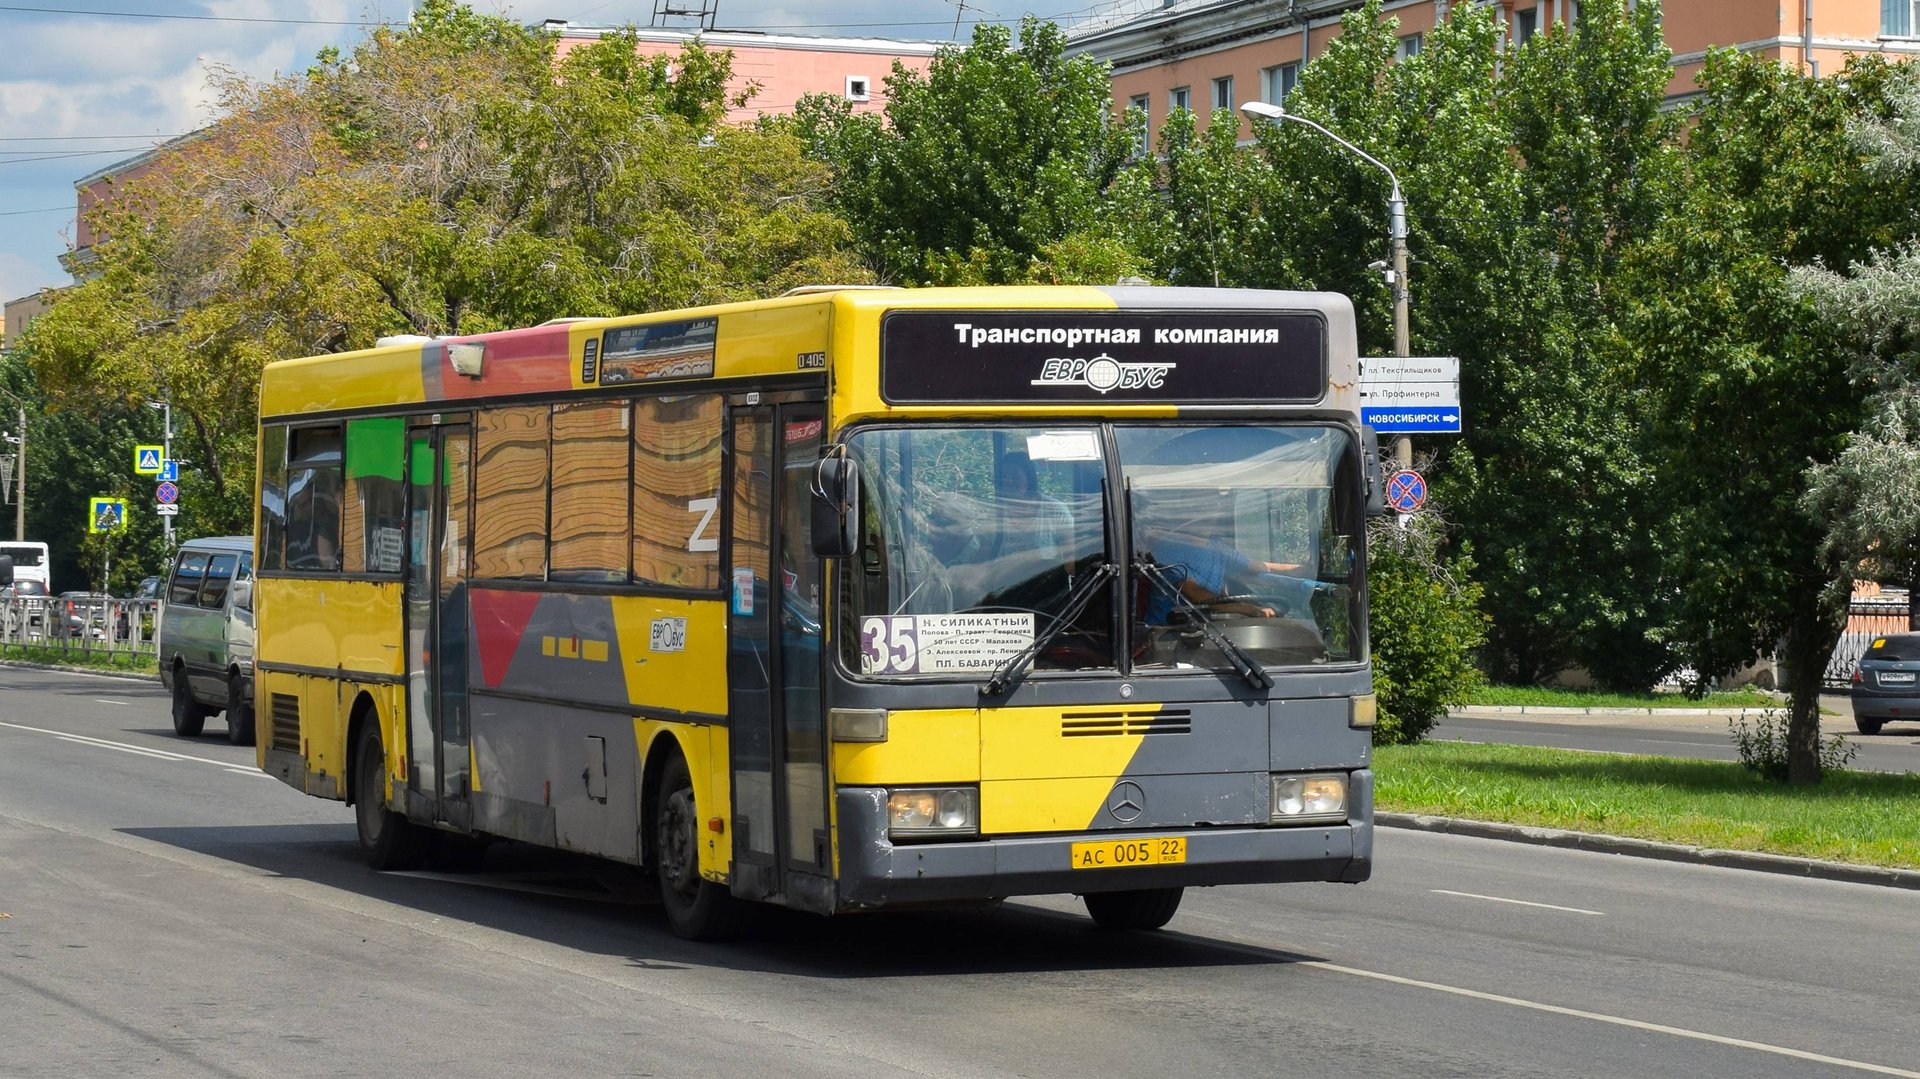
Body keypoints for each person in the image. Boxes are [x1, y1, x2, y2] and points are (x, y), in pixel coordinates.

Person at [1139, 525, 1302, 624]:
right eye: (1200, 509)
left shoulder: (1217, 548)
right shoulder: (1168, 548)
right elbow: (1199, 594)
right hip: (1166, 633)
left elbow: (1260, 566)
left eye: (1211, 509)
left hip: (1210, 630)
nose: (1208, 516)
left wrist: (1299, 569)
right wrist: (1251, 610)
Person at [988, 449, 1073, 560]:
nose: (1008, 481)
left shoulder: (1054, 509)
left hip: (1045, 576)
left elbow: (1071, 554)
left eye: (1015, 476)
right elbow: (986, 551)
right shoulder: (996, 512)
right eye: (1004, 476)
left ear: (1029, 477)